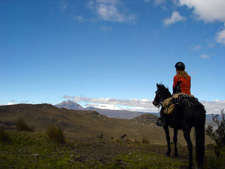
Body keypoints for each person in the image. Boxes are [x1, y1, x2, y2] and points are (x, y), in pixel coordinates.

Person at [156, 62, 191, 127]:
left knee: (166, 103)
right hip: (188, 95)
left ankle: (163, 120)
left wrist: (174, 93)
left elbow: (174, 87)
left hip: (180, 94)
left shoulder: (176, 77)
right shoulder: (188, 77)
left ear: (177, 69)